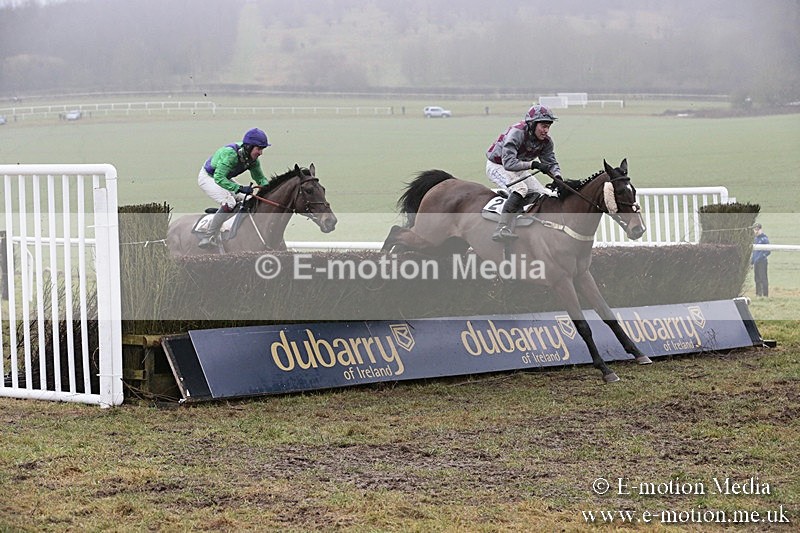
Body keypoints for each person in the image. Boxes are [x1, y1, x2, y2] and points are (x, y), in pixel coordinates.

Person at [485, 104, 565, 241]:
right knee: (521, 188)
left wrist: (558, 178)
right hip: (498, 165)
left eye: (548, 127)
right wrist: (533, 164)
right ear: (533, 124)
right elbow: (509, 163)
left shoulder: (546, 142)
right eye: (543, 126)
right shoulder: (517, 133)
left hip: (518, 167)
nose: (546, 131)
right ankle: (502, 228)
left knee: (542, 193)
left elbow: (551, 162)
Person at [197, 128, 271, 248]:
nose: (260, 153)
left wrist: (270, 188)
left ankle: (229, 224)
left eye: (262, 149)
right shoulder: (231, 154)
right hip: (209, 177)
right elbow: (219, 177)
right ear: (249, 147)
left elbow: (260, 179)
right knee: (230, 202)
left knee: (247, 200)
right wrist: (240, 188)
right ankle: (208, 236)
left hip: (224, 177)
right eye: (259, 149)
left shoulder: (253, 161)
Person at [752, 223, 770, 297]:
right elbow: (754, 252)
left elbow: (768, 251)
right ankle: (758, 294)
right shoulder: (755, 239)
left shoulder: (764, 239)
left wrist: (762, 256)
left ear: (760, 229)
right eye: (755, 229)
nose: (756, 231)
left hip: (762, 262)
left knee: (763, 278)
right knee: (757, 278)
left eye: (757, 230)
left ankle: (765, 294)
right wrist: (752, 261)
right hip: (756, 262)